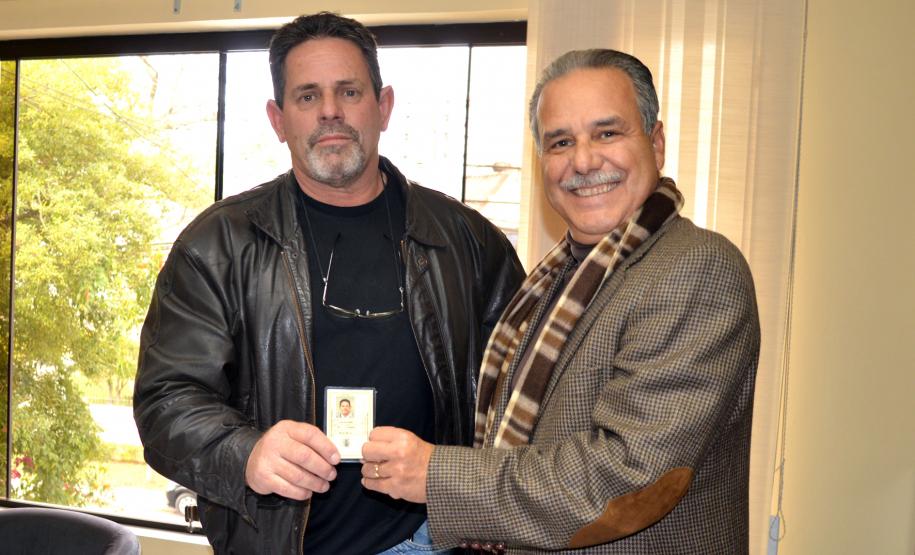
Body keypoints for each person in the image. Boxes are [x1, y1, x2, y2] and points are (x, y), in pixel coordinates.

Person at [133, 11, 524, 555]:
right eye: (308, 96)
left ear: (383, 106)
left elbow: (525, 395)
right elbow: (165, 400)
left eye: (349, 91)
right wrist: (245, 453)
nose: (331, 111)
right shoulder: (217, 245)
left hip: (434, 541)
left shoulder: (467, 242)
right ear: (278, 119)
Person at [361, 48, 761, 554]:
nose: (584, 161)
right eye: (561, 142)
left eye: (607, 133)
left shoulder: (696, 268)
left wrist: (435, 474)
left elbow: (626, 478)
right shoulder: (557, 277)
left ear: (656, 143)